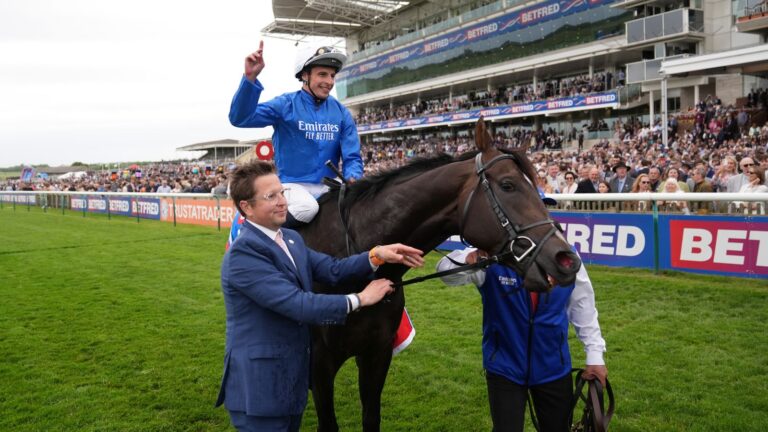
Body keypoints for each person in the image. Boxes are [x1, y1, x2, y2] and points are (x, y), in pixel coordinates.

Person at [215, 160, 424, 432]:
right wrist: (360, 299)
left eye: (282, 193)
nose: (282, 202)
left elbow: (332, 269)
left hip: (291, 382)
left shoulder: (289, 238)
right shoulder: (243, 255)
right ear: (247, 207)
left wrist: (376, 255)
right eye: (271, 196)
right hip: (260, 388)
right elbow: (299, 304)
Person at [436, 207, 607, 432]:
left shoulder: (568, 257)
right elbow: (444, 272)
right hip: (504, 368)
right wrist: (474, 256)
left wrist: (595, 355)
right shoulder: (491, 253)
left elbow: (583, 307)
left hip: (553, 368)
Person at [229, 41, 363, 226]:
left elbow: (352, 156)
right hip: (291, 186)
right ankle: (265, 233)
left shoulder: (341, 112)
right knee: (308, 208)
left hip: (329, 186)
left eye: (332, 76)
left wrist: (353, 176)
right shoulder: (286, 104)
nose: (329, 82)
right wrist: (250, 79)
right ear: (305, 75)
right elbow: (240, 118)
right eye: (322, 74)